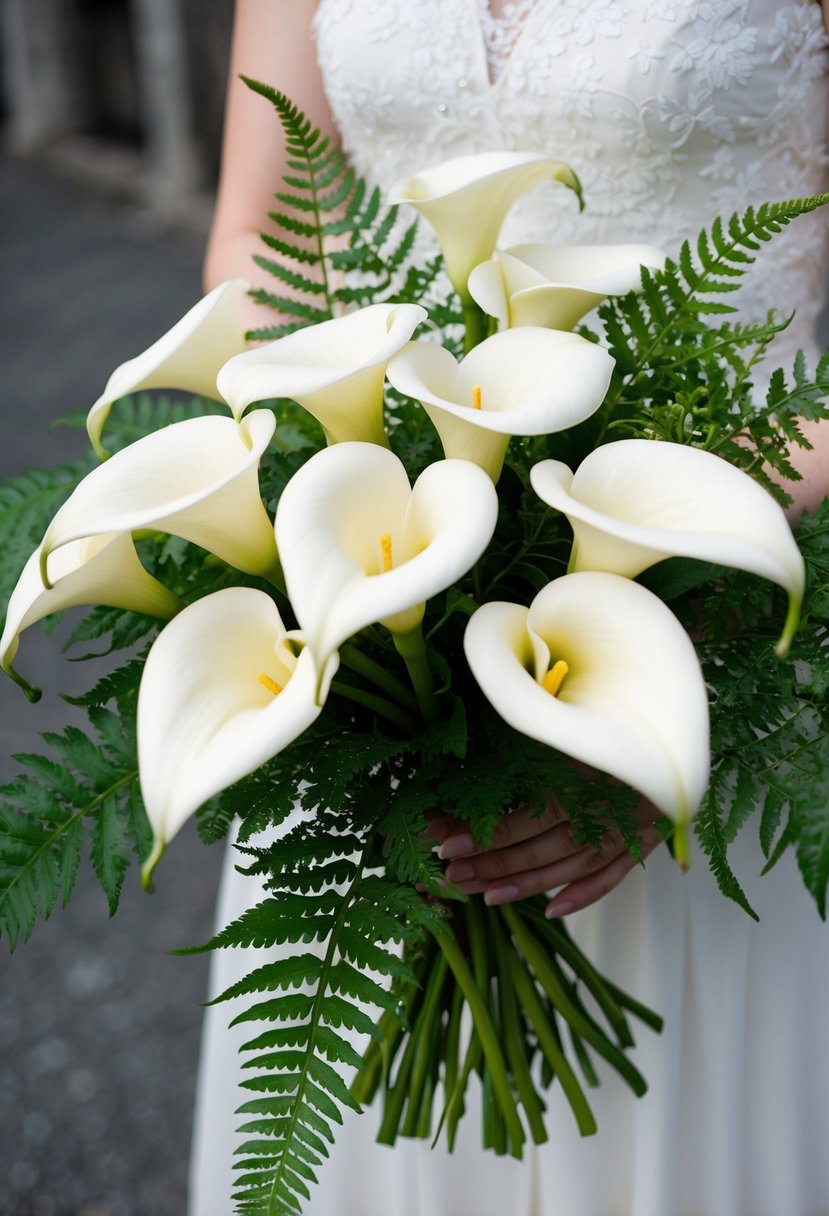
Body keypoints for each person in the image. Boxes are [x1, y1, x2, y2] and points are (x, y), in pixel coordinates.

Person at [190, 3, 829, 1214]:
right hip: (379, 587)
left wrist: (674, 667)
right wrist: (371, 580)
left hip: (734, 605)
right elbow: (261, 239)